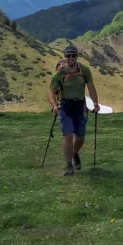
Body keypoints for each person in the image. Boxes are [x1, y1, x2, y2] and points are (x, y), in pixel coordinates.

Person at [48, 44, 100, 176]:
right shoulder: (60, 74)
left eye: (73, 55)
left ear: (77, 56)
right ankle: (68, 165)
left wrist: (95, 103)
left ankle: (75, 153)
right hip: (65, 107)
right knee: (68, 135)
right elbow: (51, 92)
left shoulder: (84, 70)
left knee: (81, 137)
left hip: (80, 107)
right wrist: (54, 106)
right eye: (68, 56)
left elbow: (91, 87)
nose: (70, 58)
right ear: (65, 57)